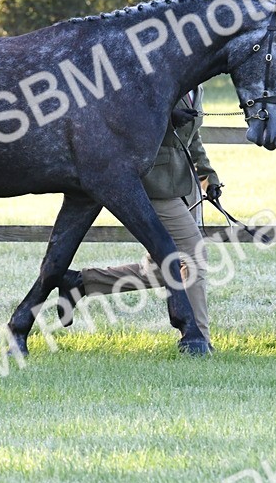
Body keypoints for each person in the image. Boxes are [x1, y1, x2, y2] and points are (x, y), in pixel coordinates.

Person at [56, 85, 222, 350]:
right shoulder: (156, 76)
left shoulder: (198, 84)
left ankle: (80, 282)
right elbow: (127, 121)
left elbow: (193, 137)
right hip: (152, 182)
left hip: (182, 183)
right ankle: (197, 339)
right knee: (193, 256)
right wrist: (167, 120)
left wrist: (207, 176)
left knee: (158, 269)